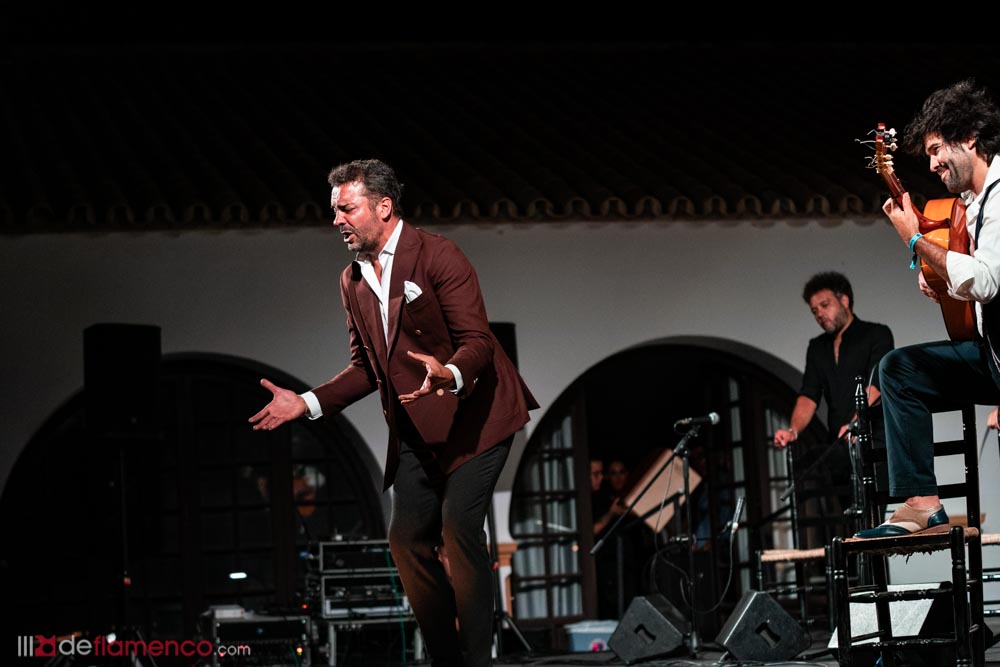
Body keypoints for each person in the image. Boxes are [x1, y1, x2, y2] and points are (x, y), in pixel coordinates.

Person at [248, 158, 538, 666]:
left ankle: (477, 659)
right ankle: (445, 658)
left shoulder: (438, 255)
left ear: (383, 207)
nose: (336, 220)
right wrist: (307, 401)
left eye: (347, 209)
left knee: (457, 527)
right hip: (417, 427)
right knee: (404, 539)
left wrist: (449, 372)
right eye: (334, 210)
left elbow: (477, 340)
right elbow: (366, 367)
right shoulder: (352, 281)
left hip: (477, 415)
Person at [855, 79, 1000, 538]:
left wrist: (916, 241)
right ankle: (920, 503)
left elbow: (986, 280)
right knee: (898, 370)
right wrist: (933, 268)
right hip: (993, 355)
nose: (933, 163)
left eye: (938, 150)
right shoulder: (969, 203)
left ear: (970, 138)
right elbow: (964, 268)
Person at [772, 272, 895, 519]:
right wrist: (793, 430)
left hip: (873, 440)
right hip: (839, 446)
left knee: (872, 518)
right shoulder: (817, 347)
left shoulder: (876, 334)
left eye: (825, 305)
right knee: (847, 520)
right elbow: (808, 394)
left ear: (844, 301)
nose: (819, 314)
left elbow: (877, 385)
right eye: (814, 310)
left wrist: (856, 423)